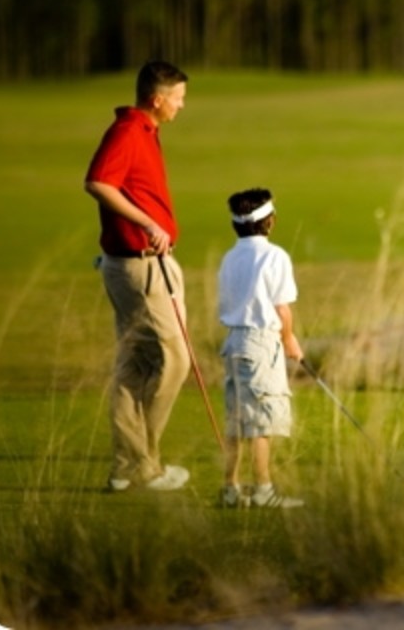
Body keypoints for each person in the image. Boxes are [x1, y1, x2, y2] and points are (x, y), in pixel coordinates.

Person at [85, 60, 192, 491]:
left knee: (135, 366)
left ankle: (125, 467)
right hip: (138, 265)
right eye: (179, 99)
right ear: (157, 99)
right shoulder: (128, 132)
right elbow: (97, 183)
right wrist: (148, 223)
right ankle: (144, 463)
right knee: (174, 359)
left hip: (149, 263)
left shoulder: (146, 131)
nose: (182, 106)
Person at [217, 188, 305, 509]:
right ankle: (264, 490)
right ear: (269, 222)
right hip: (261, 343)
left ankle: (230, 489)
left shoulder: (230, 257)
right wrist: (290, 339)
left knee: (236, 421)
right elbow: (282, 309)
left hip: (233, 342)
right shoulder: (274, 255)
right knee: (261, 422)